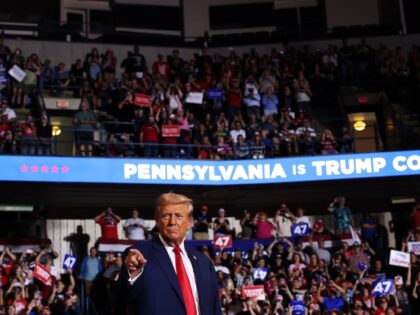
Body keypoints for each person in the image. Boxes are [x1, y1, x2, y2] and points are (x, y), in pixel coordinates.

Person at [120, 192, 222, 315]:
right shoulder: (139, 254)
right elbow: (122, 299)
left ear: (189, 222)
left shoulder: (204, 263)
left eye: (179, 216)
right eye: (166, 216)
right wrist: (133, 275)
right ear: (157, 221)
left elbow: (215, 308)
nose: (172, 222)